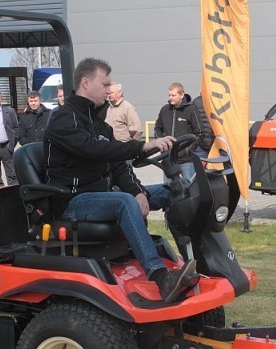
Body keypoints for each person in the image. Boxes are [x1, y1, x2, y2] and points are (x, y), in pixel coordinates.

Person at [44, 57, 198, 303]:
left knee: (175, 191)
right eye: (104, 84)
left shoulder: (99, 125)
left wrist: (139, 192)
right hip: (71, 201)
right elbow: (94, 150)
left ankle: (193, 264)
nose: (109, 90)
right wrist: (142, 146)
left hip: (101, 196)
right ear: (85, 82)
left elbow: (117, 165)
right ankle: (160, 278)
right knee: (124, 201)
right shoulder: (64, 121)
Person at [154, 82, 202, 185]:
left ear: (182, 95)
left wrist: (187, 150)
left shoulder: (191, 110)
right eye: (169, 95)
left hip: (186, 160)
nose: (170, 98)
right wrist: (161, 144)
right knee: (169, 189)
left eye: (173, 95)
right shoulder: (164, 110)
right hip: (168, 159)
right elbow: (157, 128)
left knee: (188, 188)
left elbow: (199, 133)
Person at [191, 94, 214, 160]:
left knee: (198, 168)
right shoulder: (219, 101)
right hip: (214, 145)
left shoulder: (196, 101)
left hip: (201, 144)